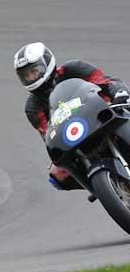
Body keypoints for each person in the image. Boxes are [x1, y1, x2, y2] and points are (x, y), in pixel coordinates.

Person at [14, 42, 130, 190]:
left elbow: (105, 81)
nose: (31, 77)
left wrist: (119, 93)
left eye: (34, 71)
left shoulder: (74, 68)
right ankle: (106, 188)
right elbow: (47, 134)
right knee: (56, 176)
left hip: (104, 114)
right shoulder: (32, 107)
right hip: (76, 135)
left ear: (46, 63)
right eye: (26, 75)